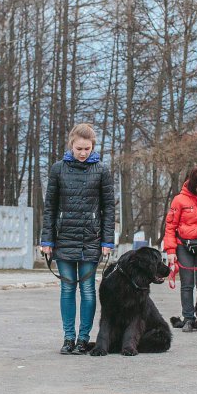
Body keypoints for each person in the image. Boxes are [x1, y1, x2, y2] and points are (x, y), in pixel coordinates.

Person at [40, 123, 115, 355]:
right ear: (71, 144)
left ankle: (84, 338)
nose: (83, 153)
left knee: (88, 290)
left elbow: (109, 208)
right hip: (64, 238)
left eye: (87, 149)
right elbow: (50, 207)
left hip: (91, 239)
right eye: (79, 148)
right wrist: (47, 240)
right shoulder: (57, 169)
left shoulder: (102, 170)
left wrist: (107, 241)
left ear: (93, 147)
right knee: (67, 289)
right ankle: (68, 338)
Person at [163, 166, 197, 333]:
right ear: (193, 183)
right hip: (183, 247)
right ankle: (188, 318)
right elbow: (170, 227)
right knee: (187, 285)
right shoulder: (179, 200)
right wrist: (171, 252)